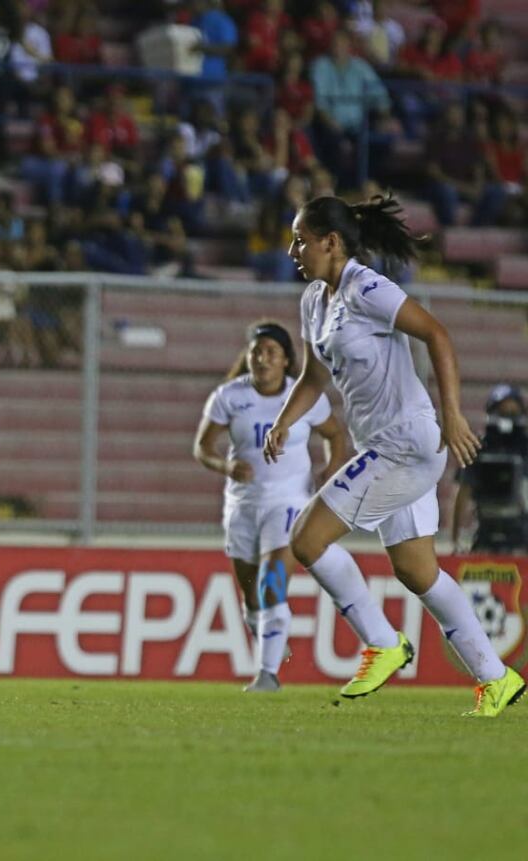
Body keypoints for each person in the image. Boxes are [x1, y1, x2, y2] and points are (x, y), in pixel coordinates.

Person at [263, 193, 525, 717]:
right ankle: (497, 678)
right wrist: (285, 420)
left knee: (306, 540)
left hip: (405, 443)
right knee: (416, 570)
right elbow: (316, 375)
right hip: (382, 447)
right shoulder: (315, 300)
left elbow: (437, 334)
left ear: (331, 242)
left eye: (301, 240)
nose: (293, 250)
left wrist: (451, 414)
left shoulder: (368, 288)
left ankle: (382, 643)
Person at [195, 321, 349, 692]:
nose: (262, 359)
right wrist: (227, 466)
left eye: (270, 352)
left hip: (290, 501)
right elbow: (202, 447)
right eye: (256, 351)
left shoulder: (304, 398)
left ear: (286, 361)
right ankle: (271, 641)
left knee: (271, 584)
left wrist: (331, 468)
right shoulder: (229, 396)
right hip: (243, 505)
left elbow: (335, 434)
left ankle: (267, 675)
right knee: (251, 596)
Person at [451, 384, 528, 554]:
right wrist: (455, 540)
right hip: (485, 531)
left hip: (521, 533)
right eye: (503, 411)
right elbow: (462, 493)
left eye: (514, 412)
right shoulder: (477, 447)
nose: (508, 417)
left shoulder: (525, 448)